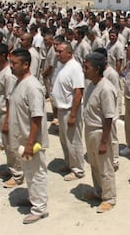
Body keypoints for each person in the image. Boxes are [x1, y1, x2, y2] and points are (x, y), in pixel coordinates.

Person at [8, 49, 49, 224]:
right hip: (22, 139)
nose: (11, 66)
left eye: (15, 63)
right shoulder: (19, 83)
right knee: (29, 172)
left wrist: (31, 142)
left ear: (26, 65)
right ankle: (34, 199)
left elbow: (36, 116)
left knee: (36, 173)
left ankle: (39, 209)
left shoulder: (32, 86)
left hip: (30, 141)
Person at [82, 53, 118, 213]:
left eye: (87, 67)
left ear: (97, 69)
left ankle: (109, 198)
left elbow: (109, 117)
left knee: (105, 166)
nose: (84, 70)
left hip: (100, 131)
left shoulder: (106, 88)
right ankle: (99, 191)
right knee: (94, 164)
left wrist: (104, 141)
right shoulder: (91, 85)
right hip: (89, 129)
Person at [0, 43, 23, 188]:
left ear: (4, 56)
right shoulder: (0, 71)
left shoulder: (8, 75)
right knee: (7, 145)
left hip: (6, 114)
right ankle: (11, 169)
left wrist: (7, 121)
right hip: (0, 113)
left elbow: (10, 98)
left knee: (12, 145)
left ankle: (18, 175)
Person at [51, 41, 85, 181]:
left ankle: (78, 170)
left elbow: (78, 92)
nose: (57, 54)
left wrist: (72, 114)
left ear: (69, 53)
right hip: (61, 109)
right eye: (57, 51)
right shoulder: (61, 66)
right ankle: (69, 163)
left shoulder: (75, 67)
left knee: (73, 141)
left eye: (60, 52)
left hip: (70, 109)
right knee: (64, 140)